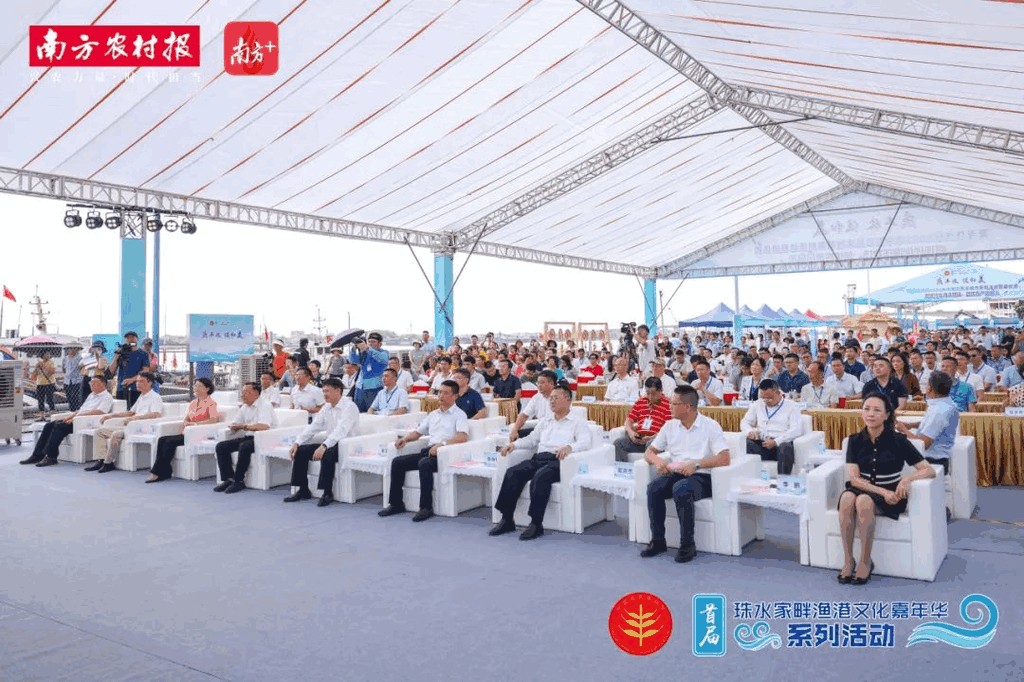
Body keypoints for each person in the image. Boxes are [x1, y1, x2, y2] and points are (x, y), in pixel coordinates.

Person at [836, 393, 936, 584]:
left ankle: (865, 562)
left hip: (890, 494)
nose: (870, 414)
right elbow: (854, 479)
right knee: (847, 498)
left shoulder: (899, 440)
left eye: (877, 410)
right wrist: (883, 492)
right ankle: (848, 560)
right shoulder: (854, 440)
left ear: (887, 414)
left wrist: (907, 479)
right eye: (866, 409)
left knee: (863, 501)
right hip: (868, 488)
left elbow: (928, 470)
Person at [638, 385, 731, 563]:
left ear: (688, 407)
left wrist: (696, 464)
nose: (669, 407)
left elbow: (724, 457)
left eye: (673, 404)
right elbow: (649, 452)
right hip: (677, 472)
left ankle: (687, 544)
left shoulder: (710, 426)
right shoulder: (670, 426)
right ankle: (658, 541)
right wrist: (658, 461)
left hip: (702, 475)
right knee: (654, 488)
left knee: (681, 489)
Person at [488, 384, 592, 540]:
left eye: (556, 398)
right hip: (539, 458)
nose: (552, 401)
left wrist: (570, 447)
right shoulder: (546, 420)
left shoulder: (577, 422)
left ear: (568, 400)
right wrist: (514, 445)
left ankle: (536, 523)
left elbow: (585, 442)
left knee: (541, 477)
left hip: (559, 461)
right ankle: (507, 519)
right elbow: (532, 440)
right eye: (551, 399)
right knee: (513, 472)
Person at [379, 380, 469, 522]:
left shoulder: (459, 415)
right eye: (440, 392)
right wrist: (406, 439)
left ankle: (426, 507)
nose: (441, 396)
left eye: (446, 393)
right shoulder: (433, 414)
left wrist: (442, 445)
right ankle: (396, 504)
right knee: (397, 462)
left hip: (445, 454)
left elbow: (463, 436)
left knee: (424, 463)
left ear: (455, 396)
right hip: (428, 451)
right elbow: (418, 432)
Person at [283, 378, 360, 507]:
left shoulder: (349, 407)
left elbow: (341, 431)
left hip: (347, 445)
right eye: (323, 391)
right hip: (330, 442)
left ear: (338, 390)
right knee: (300, 451)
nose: (324, 394)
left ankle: (327, 492)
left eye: (327, 391)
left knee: (327, 453)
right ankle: (303, 490)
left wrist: (324, 445)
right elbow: (314, 427)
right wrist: (297, 442)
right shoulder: (326, 407)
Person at [20, 375, 113, 466]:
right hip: (78, 418)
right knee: (49, 425)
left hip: (87, 422)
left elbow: (100, 411)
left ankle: (51, 457)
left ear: (103, 384)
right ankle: (37, 455)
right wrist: (70, 417)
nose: (91, 385)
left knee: (59, 427)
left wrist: (76, 417)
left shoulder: (107, 397)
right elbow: (80, 410)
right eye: (90, 383)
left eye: (94, 383)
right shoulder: (91, 395)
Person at [147, 378, 222, 483]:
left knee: (169, 442)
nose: (195, 388)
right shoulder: (193, 403)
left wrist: (195, 424)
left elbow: (213, 420)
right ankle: (166, 470)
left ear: (207, 388)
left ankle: (156, 472)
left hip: (198, 434)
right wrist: (186, 422)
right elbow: (187, 418)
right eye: (194, 385)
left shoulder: (211, 403)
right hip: (187, 432)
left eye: (198, 386)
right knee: (162, 439)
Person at [87, 372, 164, 473]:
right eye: (137, 381)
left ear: (150, 383)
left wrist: (135, 419)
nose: (138, 384)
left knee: (116, 434)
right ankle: (101, 460)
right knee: (99, 432)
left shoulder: (155, 397)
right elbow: (130, 412)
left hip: (142, 428)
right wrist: (111, 415)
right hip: (130, 426)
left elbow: (155, 414)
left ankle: (109, 463)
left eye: (141, 381)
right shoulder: (142, 396)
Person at [896, 371, 959, 484]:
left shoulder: (939, 411)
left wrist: (904, 430)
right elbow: (932, 423)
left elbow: (923, 444)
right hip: (936, 458)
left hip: (931, 461)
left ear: (929, 388)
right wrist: (910, 425)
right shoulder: (946, 404)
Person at [214, 382, 276, 494]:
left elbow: (264, 426)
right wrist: (233, 426)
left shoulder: (265, 405)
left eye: (246, 392)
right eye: (242, 392)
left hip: (264, 438)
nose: (243, 395)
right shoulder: (244, 407)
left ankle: (239, 481)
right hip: (249, 436)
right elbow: (236, 422)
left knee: (244, 446)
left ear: (256, 394)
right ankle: (229, 478)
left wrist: (243, 426)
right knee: (221, 446)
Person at [740, 379, 802, 474]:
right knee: (744, 443)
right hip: (762, 443)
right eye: (763, 397)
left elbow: (796, 430)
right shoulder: (758, 404)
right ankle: (748, 478)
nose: (766, 401)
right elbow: (745, 422)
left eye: (769, 398)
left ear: (778, 393)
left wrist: (776, 441)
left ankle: (782, 480)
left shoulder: (792, 406)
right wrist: (750, 432)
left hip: (780, 444)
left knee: (785, 447)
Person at [614, 377, 672, 462]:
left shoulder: (667, 405)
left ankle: (644, 468)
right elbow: (628, 421)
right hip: (640, 439)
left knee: (652, 443)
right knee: (618, 443)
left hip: (655, 440)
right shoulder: (641, 402)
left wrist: (652, 437)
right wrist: (632, 433)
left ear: (661, 391)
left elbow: (668, 429)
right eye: (648, 393)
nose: (650, 397)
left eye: (653, 394)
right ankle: (623, 468)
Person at [508, 370, 558, 441]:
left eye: (542, 382)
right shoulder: (537, 397)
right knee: (516, 434)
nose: (539, 385)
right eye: (538, 383)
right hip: (540, 430)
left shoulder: (559, 397)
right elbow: (524, 415)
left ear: (551, 383)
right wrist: (515, 430)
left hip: (555, 431)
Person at [350, 332, 389, 412]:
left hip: (375, 388)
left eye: (373, 342)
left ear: (380, 344)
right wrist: (353, 349)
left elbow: (383, 359)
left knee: (373, 413)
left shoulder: (384, 353)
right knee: (358, 413)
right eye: (369, 341)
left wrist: (367, 348)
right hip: (360, 388)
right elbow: (353, 361)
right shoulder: (364, 352)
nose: (371, 344)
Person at [113, 331, 151, 410]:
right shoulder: (120, 353)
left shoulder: (143, 354)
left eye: (133, 337)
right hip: (121, 388)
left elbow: (145, 372)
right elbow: (111, 371)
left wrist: (131, 380)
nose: (130, 339)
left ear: (137, 339)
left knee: (136, 411)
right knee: (120, 410)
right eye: (128, 338)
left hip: (137, 389)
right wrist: (115, 358)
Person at [31, 353, 57, 417]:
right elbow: (34, 375)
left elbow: (50, 373)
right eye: (45, 355)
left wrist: (43, 366)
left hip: (49, 384)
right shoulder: (39, 363)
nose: (47, 356)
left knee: (50, 399)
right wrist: (37, 367)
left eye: (48, 354)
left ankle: (52, 414)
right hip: (40, 384)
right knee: (40, 400)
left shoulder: (51, 362)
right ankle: (42, 415)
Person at [62, 346, 83, 411]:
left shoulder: (79, 358)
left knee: (75, 396)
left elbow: (82, 368)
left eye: (74, 348)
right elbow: (64, 369)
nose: (72, 350)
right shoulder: (65, 358)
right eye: (70, 348)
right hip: (67, 381)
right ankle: (71, 410)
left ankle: (76, 410)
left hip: (77, 380)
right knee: (69, 397)